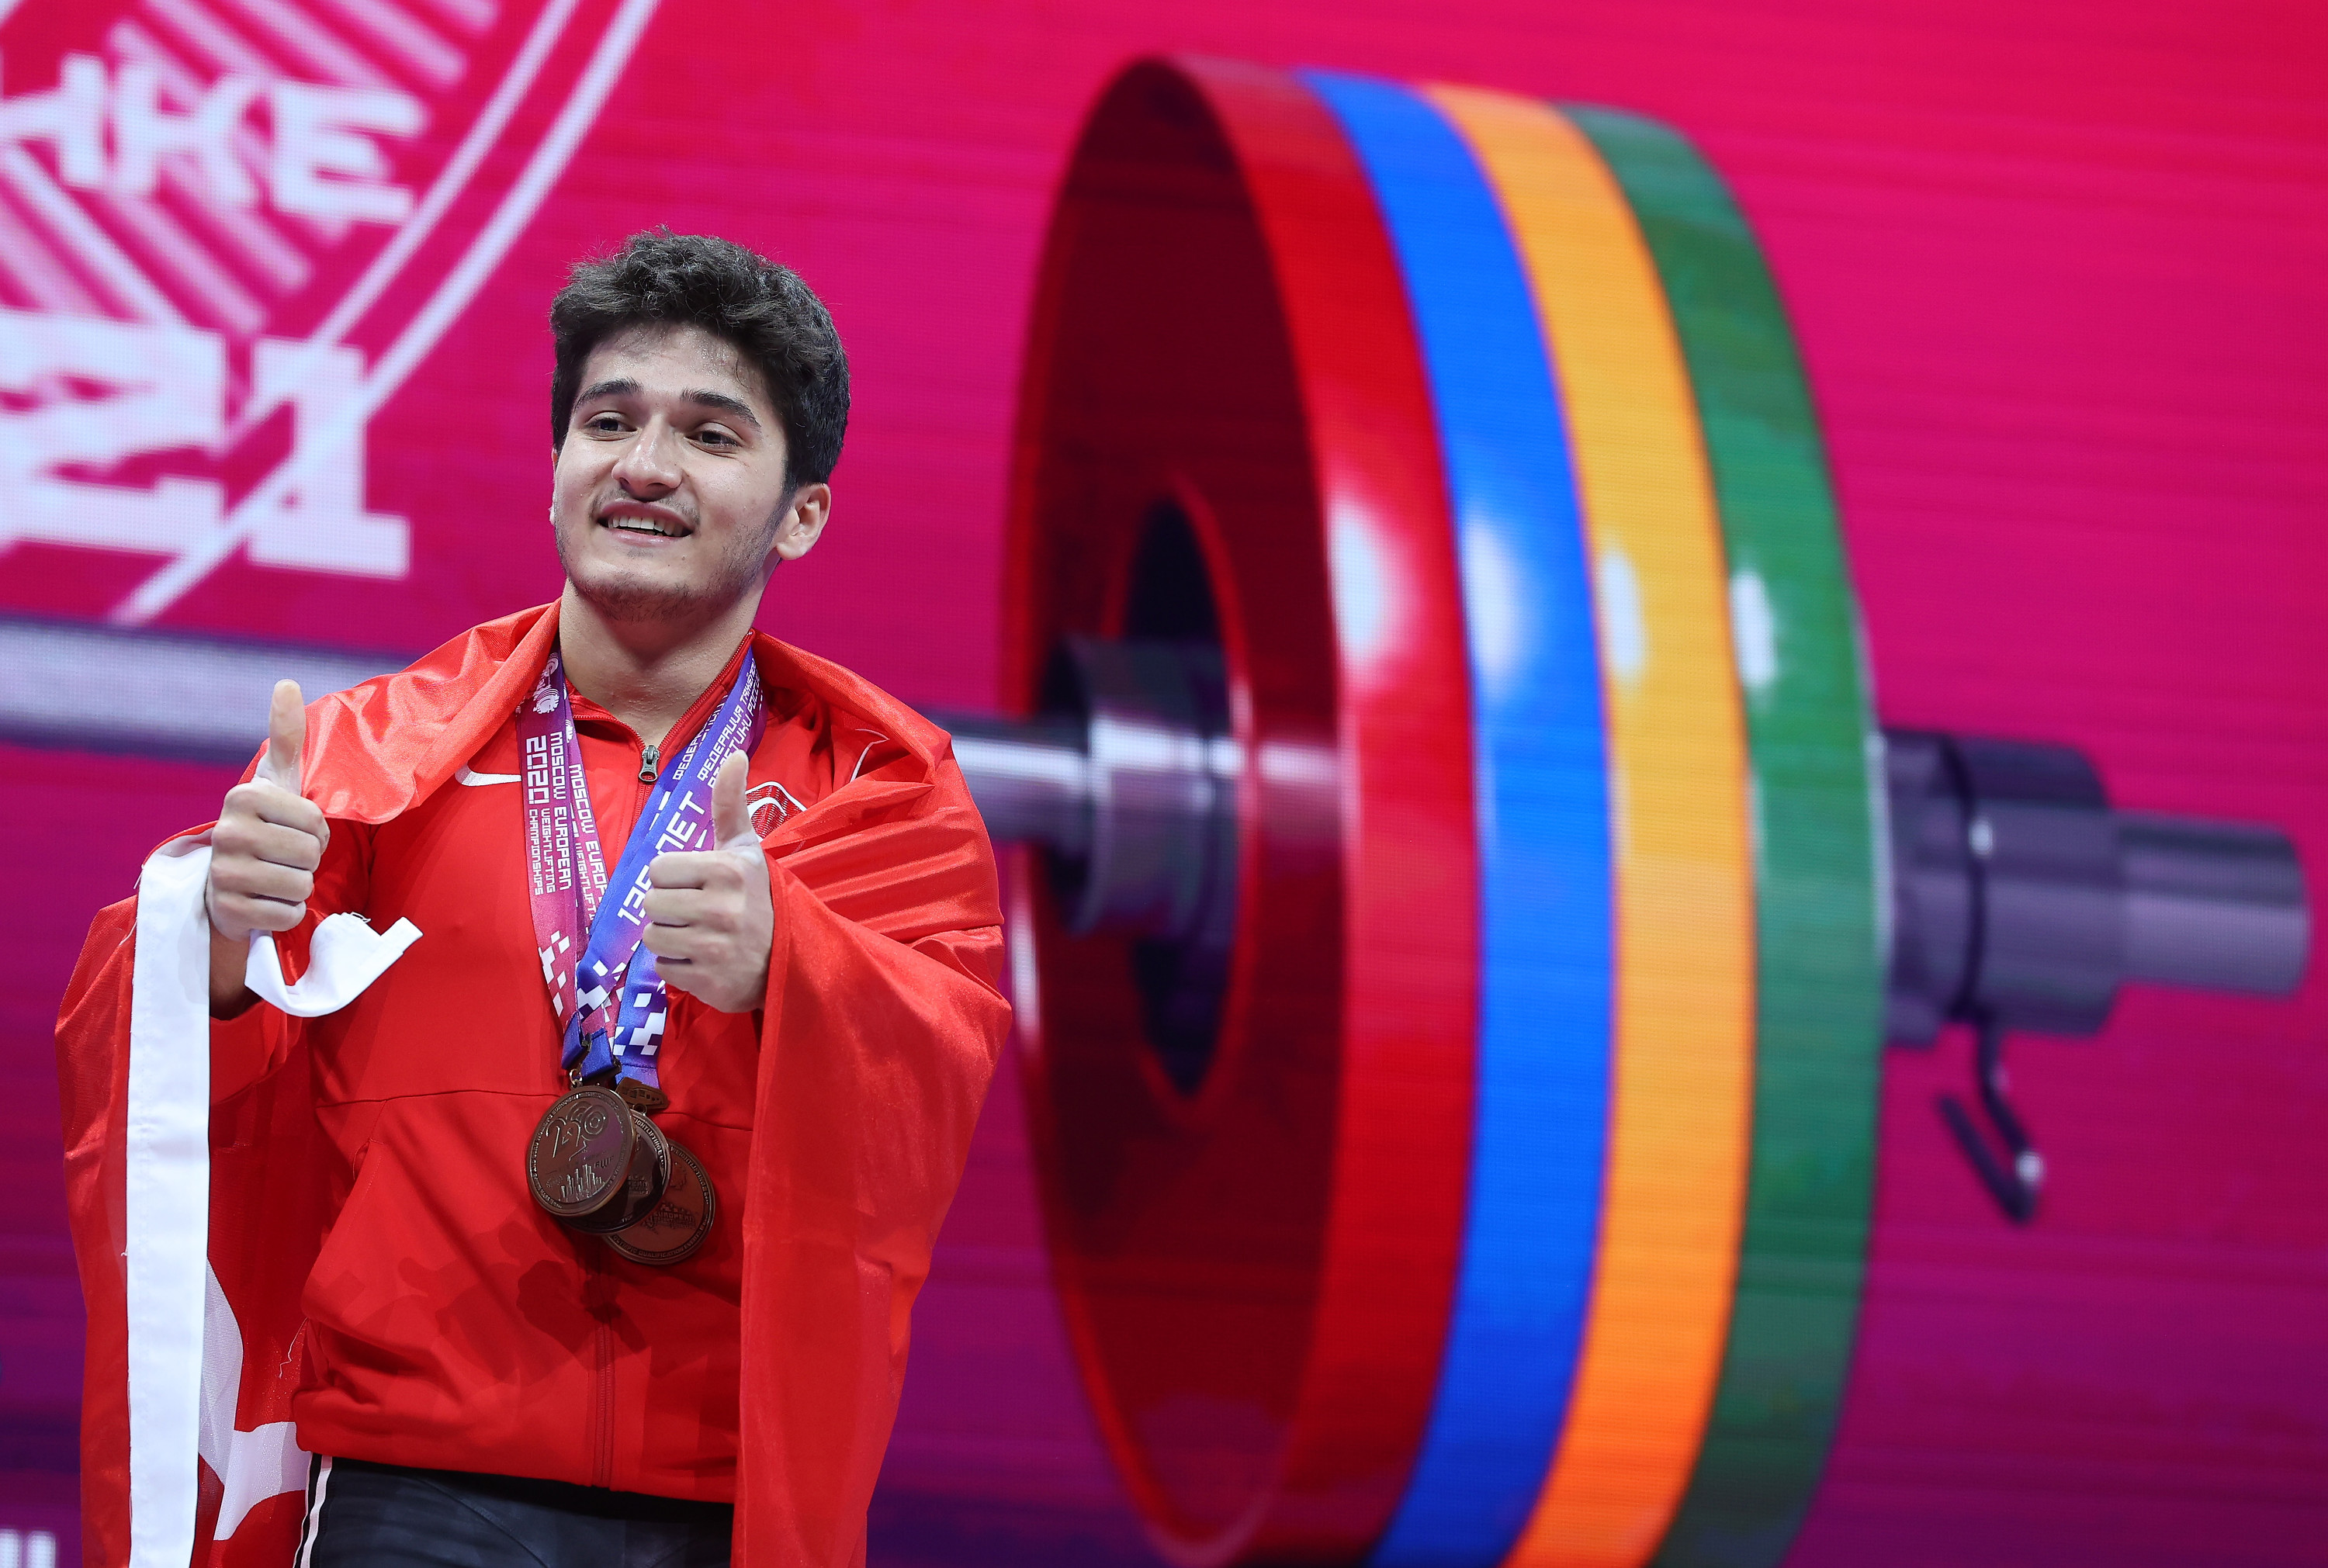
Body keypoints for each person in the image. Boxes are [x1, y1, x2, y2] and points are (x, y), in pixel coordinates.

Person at [57, 230, 1012, 1568]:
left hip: (724, 1496)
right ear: (556, 464)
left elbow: (943, 1063)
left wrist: (794, 963)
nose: (644, 465)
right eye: (607, 421)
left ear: (802, 513)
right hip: (414, 1484)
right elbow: (177, 1079)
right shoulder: (375, 760)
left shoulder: (881, 790)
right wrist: (214, 933)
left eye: (711, 434)